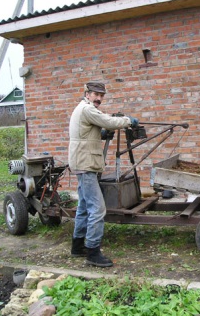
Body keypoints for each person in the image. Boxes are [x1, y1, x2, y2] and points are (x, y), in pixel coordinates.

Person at [68, 81, 139, 267]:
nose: (98, 98)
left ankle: (77, 246)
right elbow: (108, 121)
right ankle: (92, 252)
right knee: (98, 209)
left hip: (83, 163)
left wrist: (101, 134)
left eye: (101, 95)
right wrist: (128, 120)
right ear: (87, 93)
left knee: (84, 206)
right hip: (86, 165)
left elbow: (87, 133)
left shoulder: (82, 108)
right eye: (95, 94)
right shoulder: (87, 109)